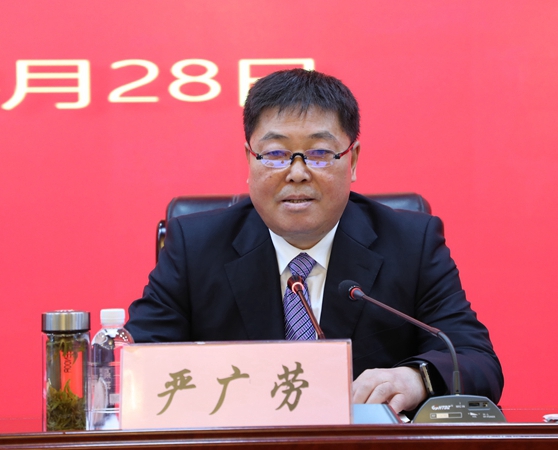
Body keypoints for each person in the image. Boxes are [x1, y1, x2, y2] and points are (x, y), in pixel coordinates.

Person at [126, 68, 503, 414]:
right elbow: (135, 363)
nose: (297, 172)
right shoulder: (194, 246)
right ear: (249, 160)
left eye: (320, 153)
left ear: (353, 160)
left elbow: (476, 360)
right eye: (275, 154)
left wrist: (415, 378)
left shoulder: (411, 243)